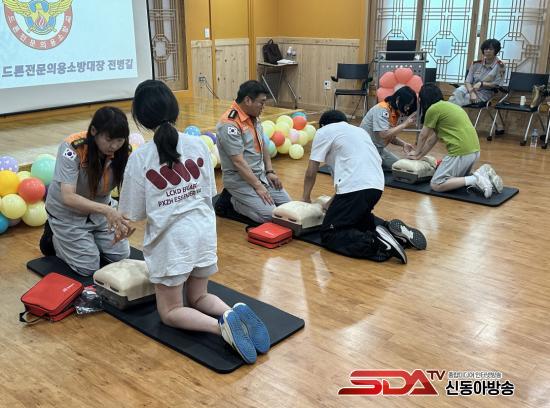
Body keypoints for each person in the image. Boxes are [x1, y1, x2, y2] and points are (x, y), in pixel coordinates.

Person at [118, 80, 269, 364]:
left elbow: (133, 212)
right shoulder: (198, 144)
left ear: (141, 118)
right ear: (174, 109)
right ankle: (231, 312)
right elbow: (209, 192)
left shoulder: (140, 158)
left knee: (170, 311)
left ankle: (221, 327)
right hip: (203, 230)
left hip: (172, 241)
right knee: (199, 297)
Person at [302, 110, 427, 264]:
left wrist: (305, 198)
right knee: (357, 219)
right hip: (377, 185)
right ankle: (389, 229)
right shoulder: (359, 131)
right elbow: (348, 180)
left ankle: (377, 243)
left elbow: (311, 171)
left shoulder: (324, 131)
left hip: (356, 188)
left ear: (323, 125)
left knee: (330, 233)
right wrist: (332, 204)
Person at [40, 106, 133, 276]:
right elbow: (68, 197)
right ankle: (52, 238)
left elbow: (130, 188)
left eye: (119, 140)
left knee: (121, 255)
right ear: (94, 131)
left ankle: (89, 240)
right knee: (88, 268)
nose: (114, 146)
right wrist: (107, 210)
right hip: (68, 214)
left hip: (100, 213)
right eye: (109, 139)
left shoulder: (125, 151)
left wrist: (123, 217)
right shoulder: (72, 147)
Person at [407, 84, 503, 198]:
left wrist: (416, 152)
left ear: (423, 99)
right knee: (455, 180)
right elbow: (431, 140)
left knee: (437, 184)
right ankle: (483, 175)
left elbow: (423, 135)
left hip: (461, 153)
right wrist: (419, 155)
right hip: (474, 151)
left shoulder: (433, 109)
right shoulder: (450, 106)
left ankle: (475, 178)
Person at [215, 80, 291, 223]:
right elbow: (238, 162)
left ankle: (252, 198)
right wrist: (258, 187)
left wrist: (269, 171)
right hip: (239, 181)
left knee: (288, 208)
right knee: (270, 216)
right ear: (248, 100)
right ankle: (230, 201)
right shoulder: (229, 124)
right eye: (261, 102)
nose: (263, 106)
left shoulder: (253, 116)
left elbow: (263, 144)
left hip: (260, 175)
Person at [449, 39, 506, 133]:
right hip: (471, 89)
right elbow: (467, 81)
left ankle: (455, 126)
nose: (487, 51)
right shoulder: (476, 64)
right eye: (486, 49)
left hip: (485, 92)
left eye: (491, 49)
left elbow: (497, 84)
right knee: (458, 91)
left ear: (496, 51)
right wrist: (472, 92)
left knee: (452, 100)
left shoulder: (500, 66)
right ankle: (458, 126)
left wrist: (482, 83)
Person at [360, 86, 418, 170]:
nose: (407, 108)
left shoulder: (394, 112)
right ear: (398, 100)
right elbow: (384, 134)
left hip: (378, 149)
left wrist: (403, 144)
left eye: (409, 106)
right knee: (396, 168)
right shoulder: (382, 109)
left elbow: (389, 136)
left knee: (399, 167)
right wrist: (404, 124)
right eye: (406, 105)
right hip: (367, 149)